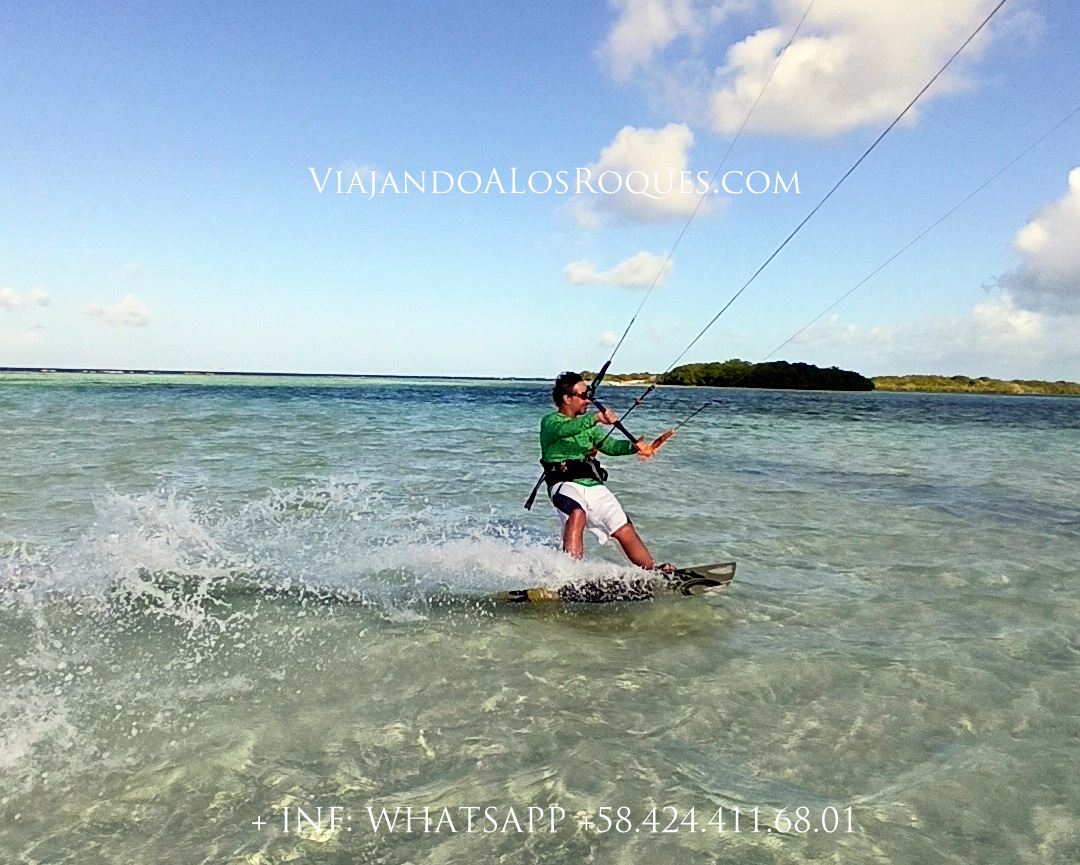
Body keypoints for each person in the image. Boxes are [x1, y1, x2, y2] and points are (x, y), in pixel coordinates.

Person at [540, 371, 674, 569]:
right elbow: (565, 430)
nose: (589, 400)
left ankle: (653, 572)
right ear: (567, 399)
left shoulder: (589, 428)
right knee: (577, 513)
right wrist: (596, 418)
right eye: (584, 396)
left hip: (592, 485)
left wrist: (635, 447)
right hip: (564, 484)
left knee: (623, 528)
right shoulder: (550, 422)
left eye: (590, 395)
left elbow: (610, 446)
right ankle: (569, 574)